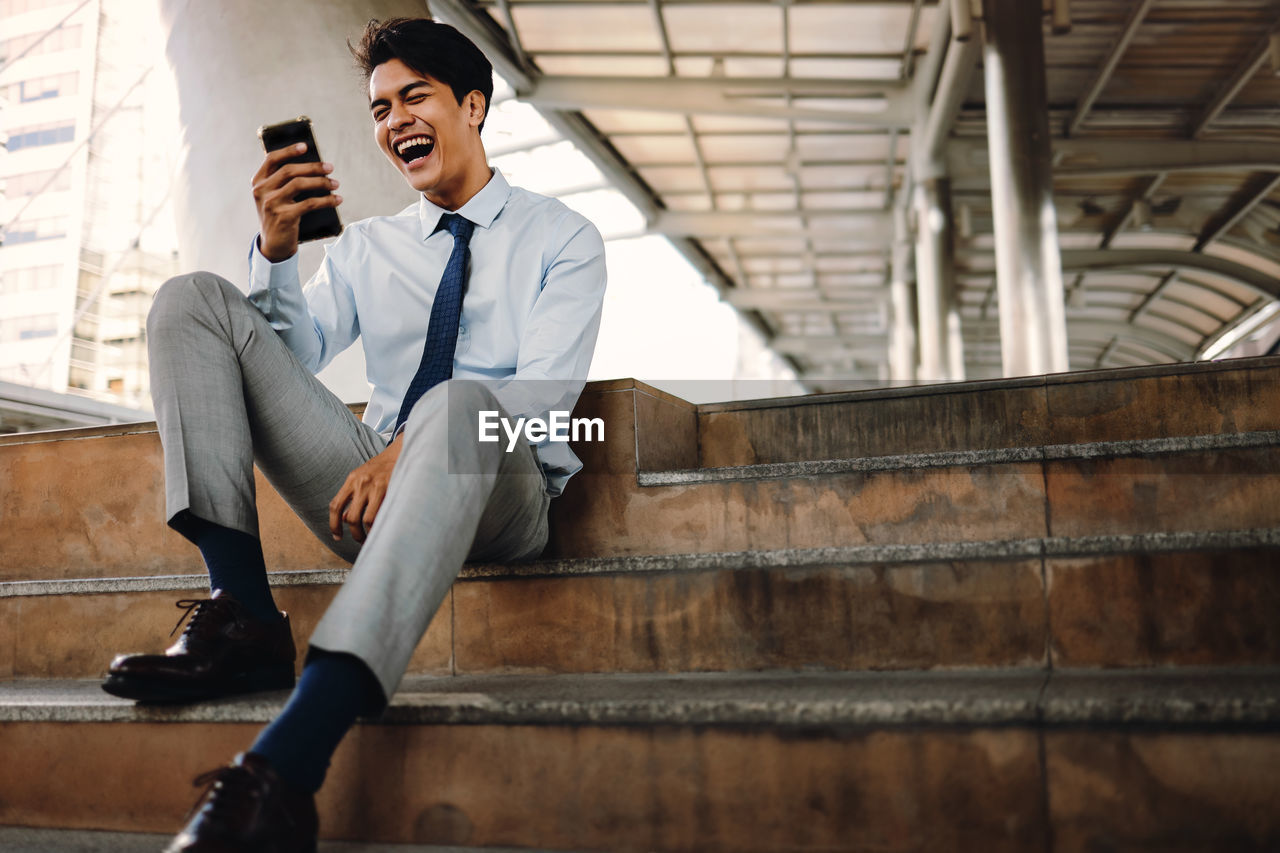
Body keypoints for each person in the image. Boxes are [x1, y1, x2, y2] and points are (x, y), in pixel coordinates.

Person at [100, 17, 607, 852]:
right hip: (369, 483)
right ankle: (246, 614)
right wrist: (275, 250)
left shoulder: (564, 239)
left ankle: (287, 764)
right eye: (379, 108)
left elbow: (541, 397)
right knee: (192, 299)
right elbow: (285, 363)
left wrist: (408, 446)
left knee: (460, 401)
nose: (394, 120)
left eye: (415, 96)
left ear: (473, 105)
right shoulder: (369, 248)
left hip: (504, 494)